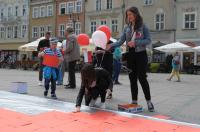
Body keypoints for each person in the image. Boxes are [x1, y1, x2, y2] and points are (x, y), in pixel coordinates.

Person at [106, 6, 154, 112]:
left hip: (141, 54)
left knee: (142, 78)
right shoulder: (126, 28)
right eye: (127, 15)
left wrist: (136, 42)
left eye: (130, 14)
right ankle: (134, 101)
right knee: (132, 79)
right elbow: (120, 41)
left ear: (135, 14)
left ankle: (149, 101)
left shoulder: (143, 26)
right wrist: (111, 45)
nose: (129, 17)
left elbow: (148, 40)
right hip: (131, 55)